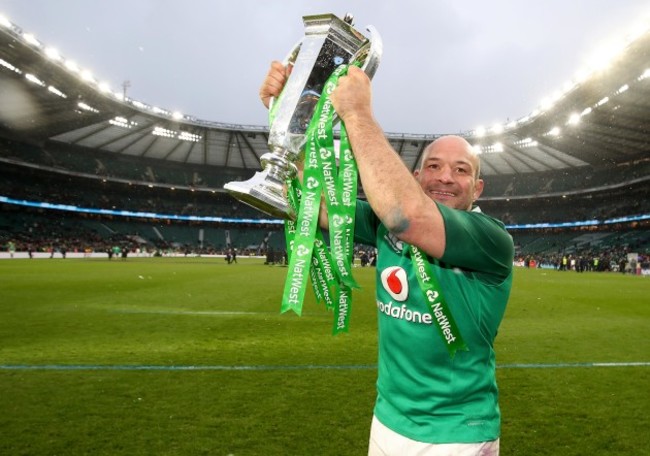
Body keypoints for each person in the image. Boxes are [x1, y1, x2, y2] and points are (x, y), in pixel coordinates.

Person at [260, 62, 514, 455]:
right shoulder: (384, 225)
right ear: (415, 176)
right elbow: (318, 204)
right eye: (434, 166)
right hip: (388, 421)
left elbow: (407, 215)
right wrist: (291, 117)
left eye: (460, 170)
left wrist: (357, 113)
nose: (445, 177)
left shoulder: (491, 239)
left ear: (477, 189)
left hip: (458, 433)